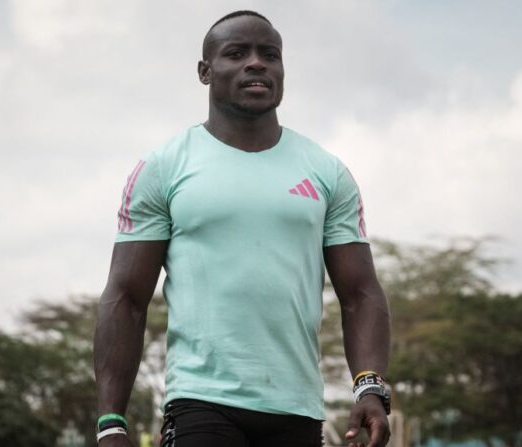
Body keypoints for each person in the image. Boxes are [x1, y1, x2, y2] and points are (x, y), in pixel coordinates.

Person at [94, 10, 391, 447]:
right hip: (200, 404)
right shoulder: (164, 167)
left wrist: (369, 385)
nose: (257, 63)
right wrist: (111, 422)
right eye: (237, 53)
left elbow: (361, 293)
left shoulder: (327, 172)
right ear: (205, 71)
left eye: (269, 55)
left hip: (298, 410)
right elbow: (126, 298)